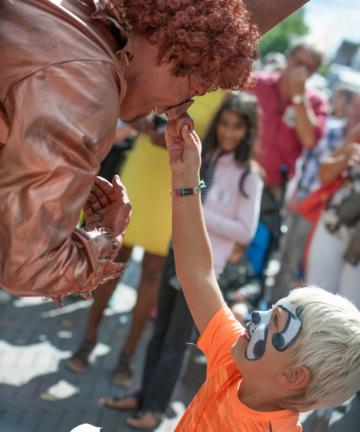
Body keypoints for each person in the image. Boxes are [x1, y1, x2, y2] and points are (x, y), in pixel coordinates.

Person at [1, 0, 311, 298]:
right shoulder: (89, 87)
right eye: (193, 91)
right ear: (174, 54)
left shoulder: (80, 17)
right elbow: (29, 268)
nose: (176, 110)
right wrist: (106, 236)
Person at [163, 117, 360, 431]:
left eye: (276, 322)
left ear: (293, 376)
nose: (257, 315)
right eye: (272, 310)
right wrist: (186, 178)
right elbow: (199, 273)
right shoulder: (235, 360)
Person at [101, 92, 263, 429]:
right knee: (158, 333)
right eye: (226, 125)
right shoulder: (208, 159)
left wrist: (202, 213)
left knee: (178, 341)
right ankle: (143, 395)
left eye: (238, 127)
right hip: (178, 253)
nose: (229, 133)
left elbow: (245, 230)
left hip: (207, 273)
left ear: (248, 132)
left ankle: (155, 411)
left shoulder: (250, 176)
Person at [66, 91, 226, 376]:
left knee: (152, 271)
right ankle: (87, 341)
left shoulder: (225, 93)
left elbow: (218, 144)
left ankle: (127, 355)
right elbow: (129, 106)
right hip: (141, 168)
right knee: (112, 260)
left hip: (176, 182)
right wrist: (141, 124)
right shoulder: (176, 66)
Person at [271, 87, 359, 302]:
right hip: (335, 222)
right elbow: (324, 172)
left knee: (351, 307)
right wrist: (346, 158)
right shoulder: (356, 133)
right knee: (316, 292)